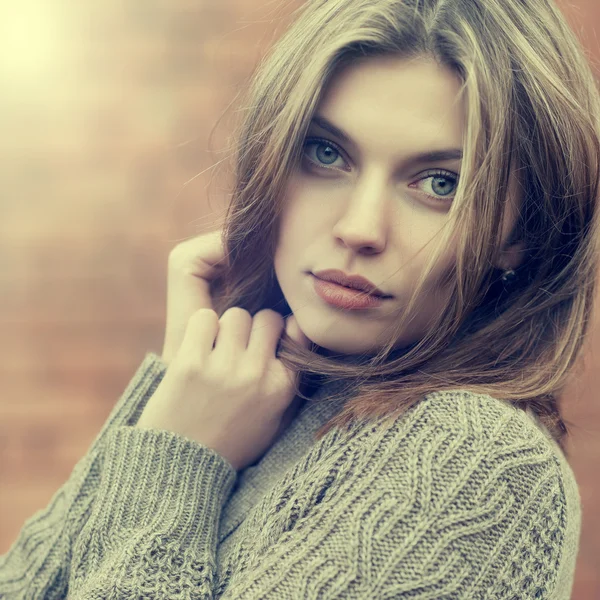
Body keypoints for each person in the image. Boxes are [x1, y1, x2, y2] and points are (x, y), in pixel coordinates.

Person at [1, 0, 598, 597]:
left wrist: (171, 459)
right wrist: (177, 388)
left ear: (521, 235)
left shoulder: (479, 462)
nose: (360, 227)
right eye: (326, 153)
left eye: (441, 184)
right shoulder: (243, 398)